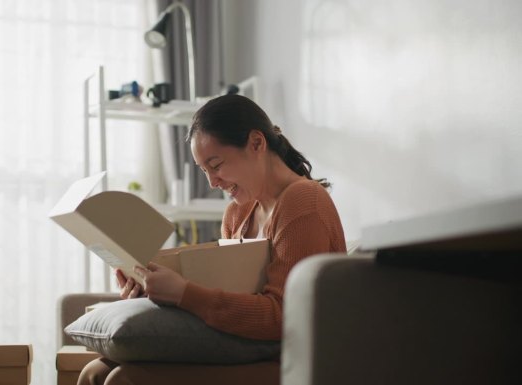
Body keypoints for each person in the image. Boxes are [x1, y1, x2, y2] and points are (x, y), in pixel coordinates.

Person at [78, 94, 346, 385]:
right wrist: (152, 290)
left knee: (123, 380)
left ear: (257, 143)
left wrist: (184, 294)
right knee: (95, 372)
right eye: (204, 170)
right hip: (244, 347)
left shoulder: (302, 200)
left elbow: (283, 316)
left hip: (294, 358)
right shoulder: (237, 213)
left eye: (216, 165)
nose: (212, 182)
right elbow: (225, 297)